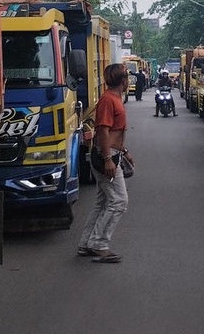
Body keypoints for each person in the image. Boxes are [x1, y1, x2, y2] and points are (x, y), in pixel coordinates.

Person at [78, 63, 133, 263]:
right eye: (127, 77)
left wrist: (124, 152)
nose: (129, 81)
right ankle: (99, 243)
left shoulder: (115, 99)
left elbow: (115, 132)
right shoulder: (108, 100)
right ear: (123, 81)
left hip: (113, 154)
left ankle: (86, 244)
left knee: (102, 202)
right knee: (119, 201)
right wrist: (108, 159)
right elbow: (103, 130)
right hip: (105, 157)